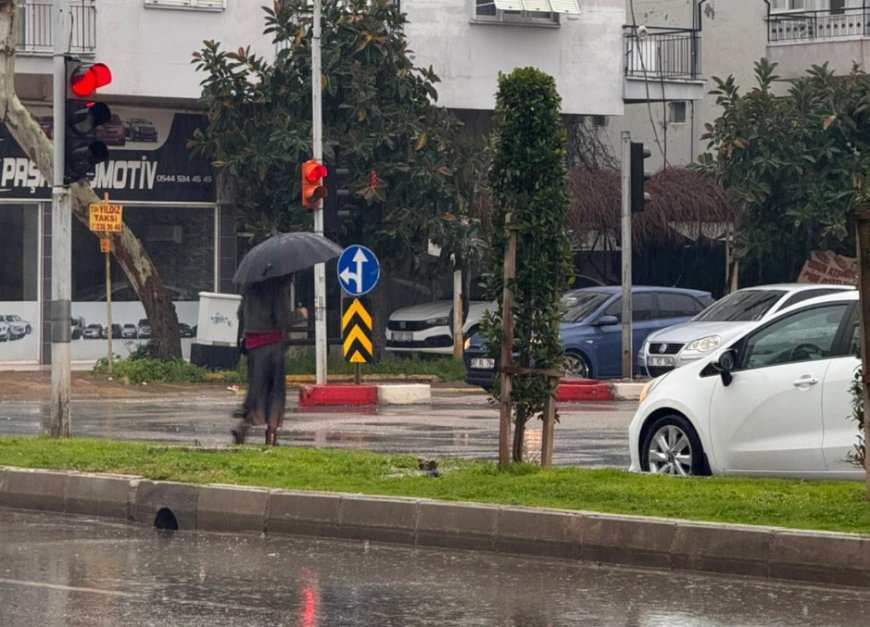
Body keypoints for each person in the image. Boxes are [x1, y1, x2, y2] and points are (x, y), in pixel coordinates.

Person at [232, 276, 308, 445]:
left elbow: (240, 314)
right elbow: (282, 319)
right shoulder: (277, 289)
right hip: (273, 347)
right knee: (275, 391)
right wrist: (299, 314)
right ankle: (271, 437)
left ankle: (243, 427)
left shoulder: (249, 288)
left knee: (257, 390)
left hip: (253, 347)